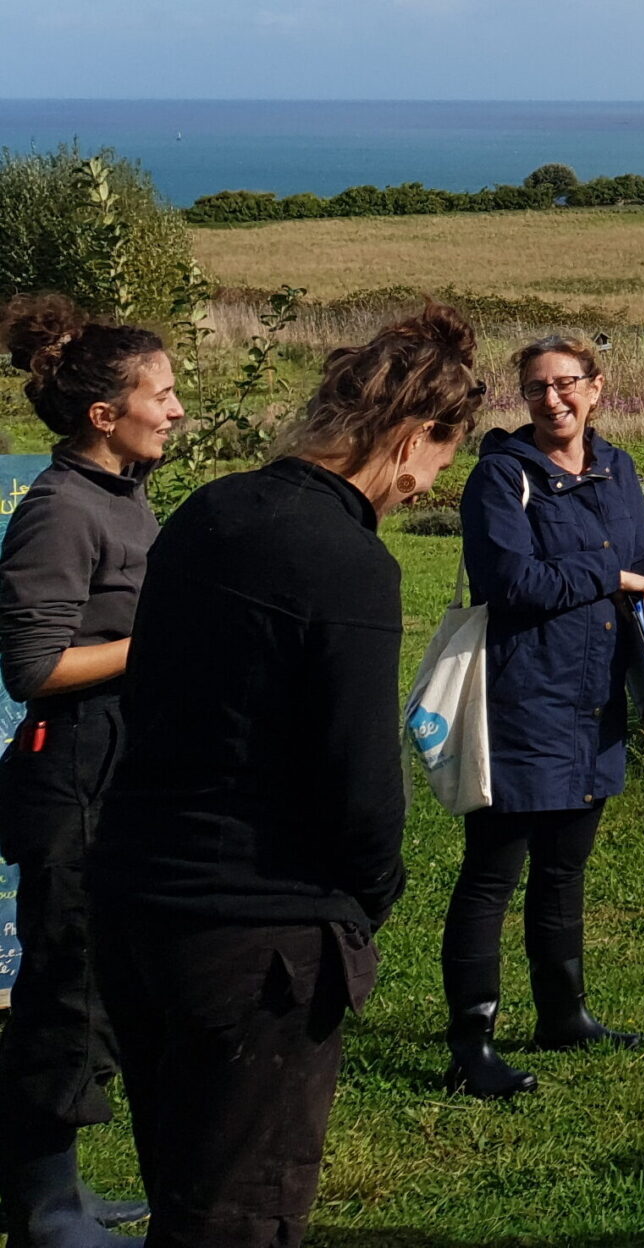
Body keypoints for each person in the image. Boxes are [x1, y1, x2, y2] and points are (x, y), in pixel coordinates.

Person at [93, 304, 484, 1248]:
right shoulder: (346, 561)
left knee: (185, 1192)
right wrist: (361, 904)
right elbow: (358, 775)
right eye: (442, 456)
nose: (434, 483)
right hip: (258, 935)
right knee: (244, 1217)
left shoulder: (211, 509)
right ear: (409, 437)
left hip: (140, 900)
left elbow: (151, 692)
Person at [439, 333, 644, 1096]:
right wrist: (607, 573)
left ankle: (562, 1014)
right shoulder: (502, 478)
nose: (553, 399)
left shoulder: (619, 470)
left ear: (597, 388)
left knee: (565, 870)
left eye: (567, 383)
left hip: (596, 699)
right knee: (491, 876)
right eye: (537, 387)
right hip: (524, 697)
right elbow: (511, 583)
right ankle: (471, 1046)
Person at [0, 299, 185, 1248]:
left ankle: (54, 1183)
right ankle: (42, 1208)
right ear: (103, 415)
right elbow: (32, 668)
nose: (179, 408)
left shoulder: (122, 493)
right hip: (69, 767)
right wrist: (162, 638)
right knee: (66, 983)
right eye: (162, 393)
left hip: (115, 764)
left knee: (99, 976)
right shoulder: (61, 509)